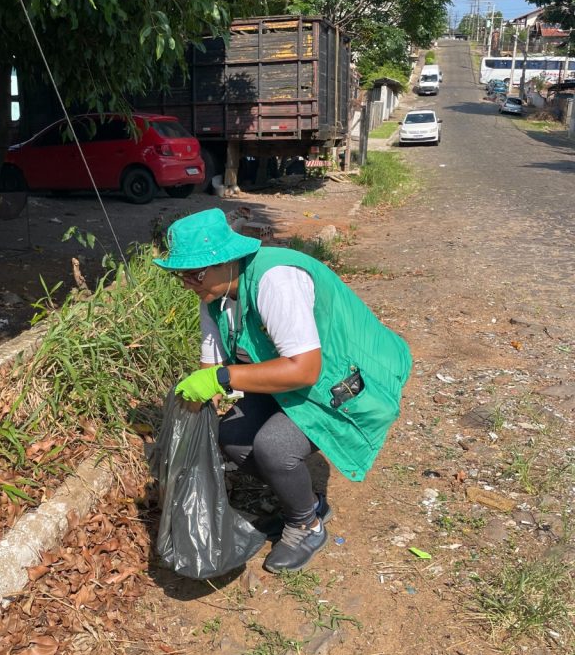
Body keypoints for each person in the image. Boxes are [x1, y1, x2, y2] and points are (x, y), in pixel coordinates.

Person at [154, 208, 412, 573]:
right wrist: (184, 436)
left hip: (347, 378)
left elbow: (304, 370)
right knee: (231, 437)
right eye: (180, 275)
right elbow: (211, 368)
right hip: (294, 377)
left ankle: (307, 525)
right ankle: (306, 503)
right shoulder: (213, 298)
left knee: (275, 447)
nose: (188, 283)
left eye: (195, 273)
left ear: (227, 261)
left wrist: (223, 380)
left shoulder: (275, 281)